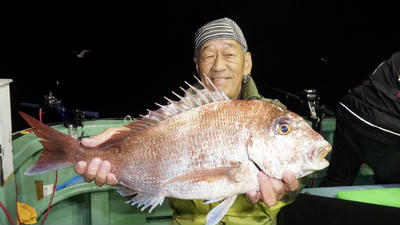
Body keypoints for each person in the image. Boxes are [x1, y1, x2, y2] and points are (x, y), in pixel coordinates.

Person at [75, 17, 305, 224]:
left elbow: (295, 173)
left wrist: (288, 190)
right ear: (197, 64)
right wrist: (112, 155)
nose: (218, 65)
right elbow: (143, 161)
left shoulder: (274, 115)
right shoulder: (175, 115)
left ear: (247, 62)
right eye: (208, 55)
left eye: (230, 54)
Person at [320, 51, 400, 187]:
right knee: (392, 184)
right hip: (384, 127)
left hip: (350, 111)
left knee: (338, 179)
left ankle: (322, 205)